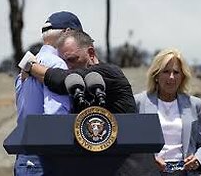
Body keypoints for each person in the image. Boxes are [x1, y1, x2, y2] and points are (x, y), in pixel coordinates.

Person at [20, 29, 160, 176]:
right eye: (63, 63)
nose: (68, 67)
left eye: (72, 60)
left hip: (130, 168)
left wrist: (31, 66)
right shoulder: (76, 89)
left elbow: (61, 80)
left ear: (91, 53)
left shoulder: (107, 72)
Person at [14, 11, 83, 176]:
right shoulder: (56, 64)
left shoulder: (25, 68)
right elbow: (55, 117)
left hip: (24, 157)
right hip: (45, 158)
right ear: (68, 33)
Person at [134, 48, 201, 175]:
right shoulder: (139, 102)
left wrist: (197, 160)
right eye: (166, 71)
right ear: (156, 75)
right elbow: (132, 145)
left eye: (176, 72)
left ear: (182, 77)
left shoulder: (194, 104)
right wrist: (150, 160)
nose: (171, 77)